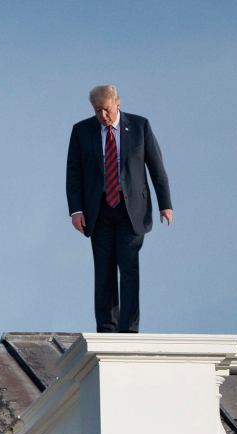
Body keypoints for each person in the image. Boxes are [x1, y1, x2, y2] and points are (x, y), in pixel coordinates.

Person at [66, 84, 173, 333]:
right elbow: (74, 173)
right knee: (103, 271)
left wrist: (165, 204)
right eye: (97, 110)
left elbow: (156, 168)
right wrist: (76, 210)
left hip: (131, 210)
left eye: (106, 109)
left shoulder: (139, 127)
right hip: (99, 211)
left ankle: (129, 329)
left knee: (129, 268)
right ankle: (106, 328)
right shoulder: (81, 131)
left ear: (118, 103)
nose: (103, 115)